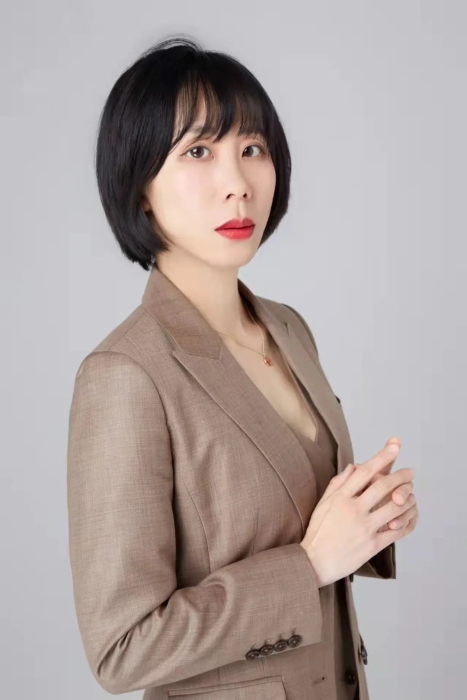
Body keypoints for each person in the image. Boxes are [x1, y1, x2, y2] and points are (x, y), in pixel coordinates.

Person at [67, 35, 419, 700]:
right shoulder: (125, 375)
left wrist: (370, 521)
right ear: (139, 188)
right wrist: (309, 564)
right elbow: (122, 649)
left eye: (252, 149)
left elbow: (296, 519)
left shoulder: (288, 328)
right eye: (198, 152)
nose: (238, 184)